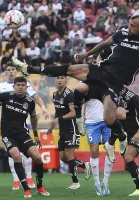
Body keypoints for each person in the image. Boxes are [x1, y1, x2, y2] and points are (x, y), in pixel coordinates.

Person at [11, 13, 139, 163]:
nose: (129, 27)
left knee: (109, 119)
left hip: (116, 83)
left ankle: (121, 137)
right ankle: (30, 68)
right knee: (70, 70)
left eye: (133, 26)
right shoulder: (123, 32)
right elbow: (105, 43)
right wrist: (87, 53)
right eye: (129, 23)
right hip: (102, 69)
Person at [0, 63, 49, 190]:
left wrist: (43, 108)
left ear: (16, 72)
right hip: (8, 125)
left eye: (13, 69)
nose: (10, 72)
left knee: (28, 153)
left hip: (23, 124)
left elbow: (36, 97)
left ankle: (28, 177)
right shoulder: (1, 86)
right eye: (8, 70)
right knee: (13, 154)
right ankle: (16, 179)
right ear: (5, 72)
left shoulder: (24, 84)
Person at [47, 76, 90, 189]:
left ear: (66, 80)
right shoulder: (55, 94)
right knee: (63, 157)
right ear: (55, 80)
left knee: (69, 155)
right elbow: (57, 112)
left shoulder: (69, 94)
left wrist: (59, 119)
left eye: (62, 78)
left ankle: (75, 183)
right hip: (62, 130)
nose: (59, 80)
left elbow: (74, 113)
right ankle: (84, 165)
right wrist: (51, 127)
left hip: (72, 129)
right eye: (58, 78)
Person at [84, 98, 113, 195]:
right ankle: (97, 183)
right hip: (91, 123)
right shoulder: (83, 86)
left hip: (106, 121)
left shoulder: (105, 83)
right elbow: (78, 104)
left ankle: (105, 182)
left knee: (110, 150)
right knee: (94, 150)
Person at [120, 88, 139, 196]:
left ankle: (138, 189)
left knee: (128, 157)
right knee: (127, 166)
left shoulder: (134, 98)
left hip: (137, 133)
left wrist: (137, 134)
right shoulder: (116, 98)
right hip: (127, 135)